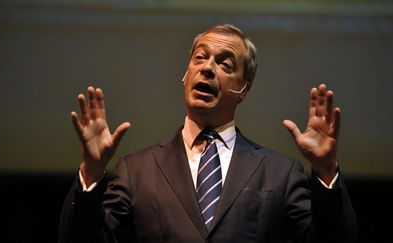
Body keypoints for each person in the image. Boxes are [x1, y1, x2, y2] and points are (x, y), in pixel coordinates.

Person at [59, 24, 357, 243]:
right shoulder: (135, 171)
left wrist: (325, 169)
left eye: (224, 63)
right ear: (185, 76)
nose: (207, 69)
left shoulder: (280, 173)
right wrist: (92, 171)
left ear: (244, 89)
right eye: (199, 58)